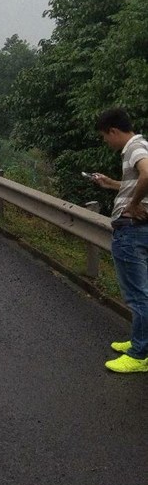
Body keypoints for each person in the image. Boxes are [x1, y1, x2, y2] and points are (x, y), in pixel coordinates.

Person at [92, 108, 148, 373]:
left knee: (138, 296)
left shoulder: (134, 147)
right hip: (140, 229)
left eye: (105, 137)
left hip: (131, 230)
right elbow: (136, 181)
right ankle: (139, 342)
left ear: (114, 131)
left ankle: (140, 355)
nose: (106, 142)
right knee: (142, 293)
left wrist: (134, 204)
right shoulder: (142, 145)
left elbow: (147, 174)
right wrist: (112, 183)